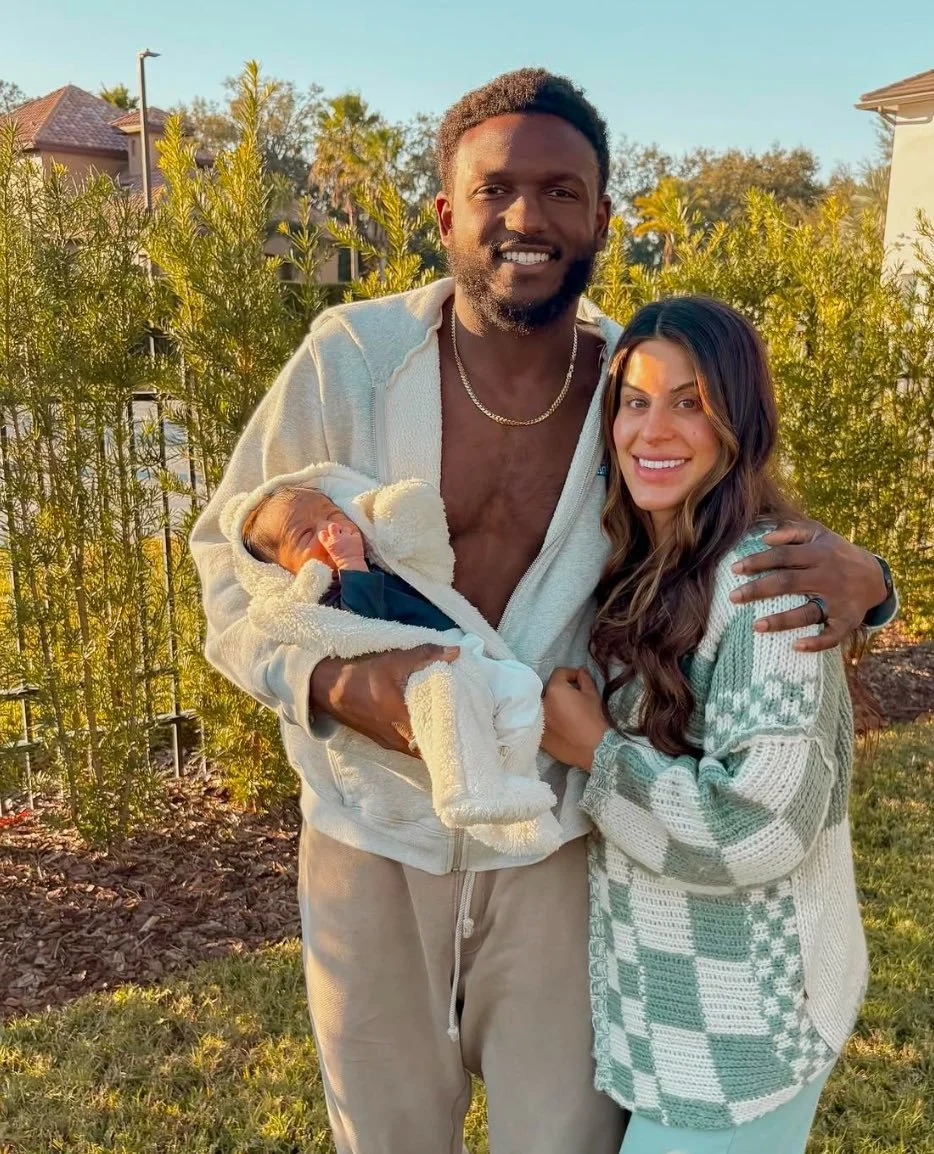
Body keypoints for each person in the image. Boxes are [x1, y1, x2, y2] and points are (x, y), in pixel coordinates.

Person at [189, 69, 896, 1154]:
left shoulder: (632, 385)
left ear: (603, 216)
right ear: (445, 213)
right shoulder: (350, 357)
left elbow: (727, 515)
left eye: (562, 191)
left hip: (562, 845)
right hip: (369, 838)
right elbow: (230, 559)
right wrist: (336, 684)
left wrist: (873, 582)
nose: (527, 217)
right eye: (495, 189)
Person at [542, 296, 871, 1153]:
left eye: (690, 401)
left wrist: (594, 752)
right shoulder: (642, 560)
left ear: (740, 421)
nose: (653, 429)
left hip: (745, 1036)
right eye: (636, 400)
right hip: (666, 1025)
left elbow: (761, 824)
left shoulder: (769, 584)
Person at [223, 466, 561, 857]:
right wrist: (350, 564)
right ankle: (466, 793)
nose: (329, 531)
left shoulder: (376, 564)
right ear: (281, 569)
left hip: (455, 648)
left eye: (333, 515)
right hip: (427, 665)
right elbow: (361, 625)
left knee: (522, 691)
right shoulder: (323, 599)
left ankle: (506, 780)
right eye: (304, 535)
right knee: (458, 720)